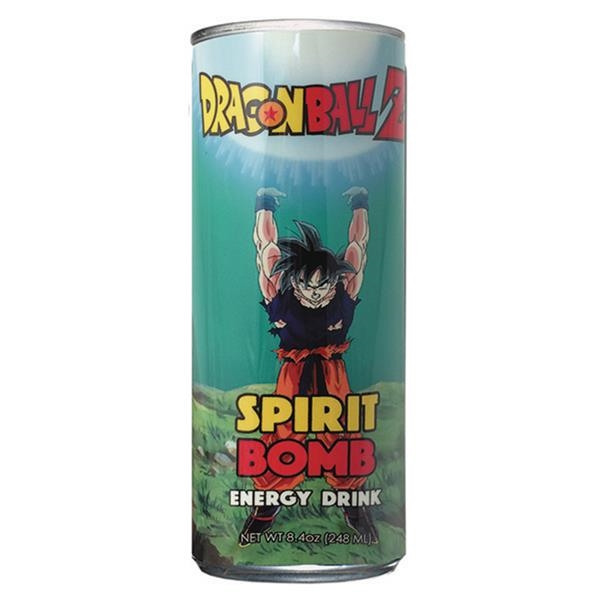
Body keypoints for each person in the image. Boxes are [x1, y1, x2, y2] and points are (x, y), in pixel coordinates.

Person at [241, 185, 378, 543]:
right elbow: (266, 249)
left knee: (344, 434)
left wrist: (360, 204)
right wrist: (264, 205)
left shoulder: (343, 294)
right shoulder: (281, 296)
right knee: (281, 432)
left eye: (324, 286)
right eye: (308, 286)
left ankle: (354, 507)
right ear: (296, 283)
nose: (316, 293)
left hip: (333, 372)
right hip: (293, 372)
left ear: (334, 282)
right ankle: (265, 508)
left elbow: (358, 248)